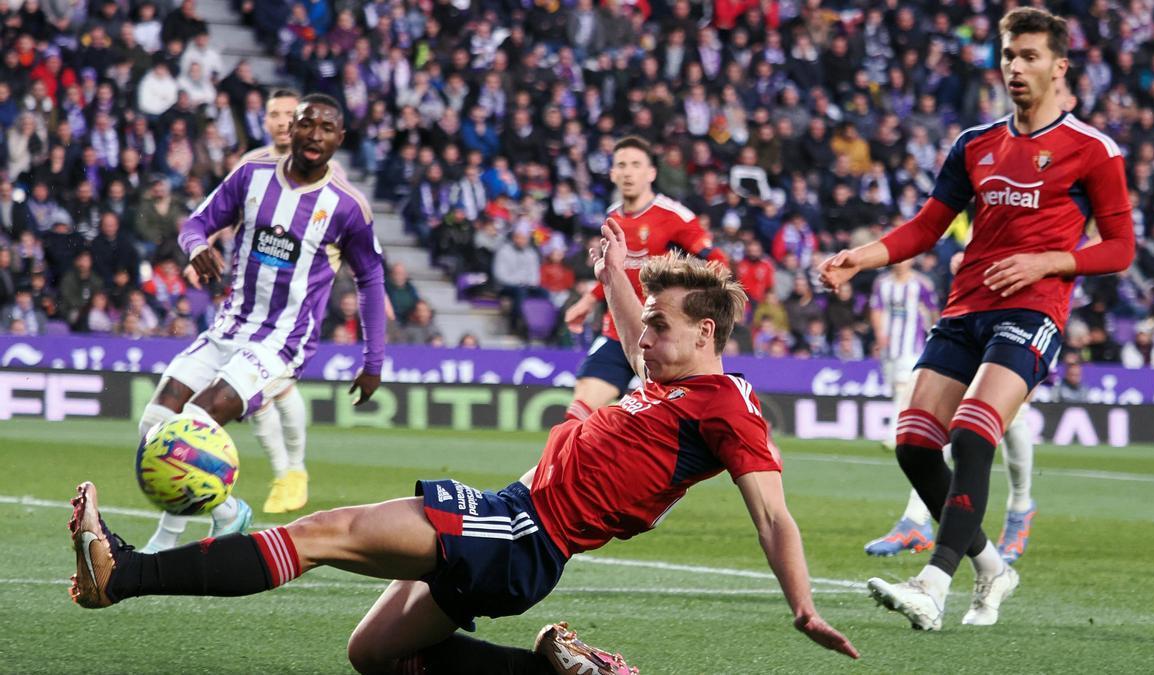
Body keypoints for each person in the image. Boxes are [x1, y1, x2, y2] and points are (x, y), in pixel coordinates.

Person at [68, 224, 860, 673]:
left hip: (524, 531)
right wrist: (621, 273)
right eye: (645, 323)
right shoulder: (668, 375)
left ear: (707, 333)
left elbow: (775, 517)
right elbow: (625, 324)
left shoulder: (727, 406)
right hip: (518, 529)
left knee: (324, 531)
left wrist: (803, 606)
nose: (641, 338)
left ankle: (124, 574)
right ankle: (559, 672)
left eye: (660, 326)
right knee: (374, 654)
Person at [819, 8, 1133, 630]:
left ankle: (932, 585)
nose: (1016, 66)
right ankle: (991, 566)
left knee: (972, 433)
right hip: (965, 308)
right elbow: (928, 226)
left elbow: (1120, 248)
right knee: (913, 444)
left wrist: (1048, 260)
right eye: (1009, 54)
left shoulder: (1093, 150)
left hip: (1033, 310)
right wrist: (864, 257)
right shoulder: (975, 143)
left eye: (1031, 56)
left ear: (1058, 66)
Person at [138, 93, 386, 554]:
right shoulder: (251, 176)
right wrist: (196, 247)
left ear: (340, 139)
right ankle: (229, 514)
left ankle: (165, 540)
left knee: (194, 421)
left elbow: (370, 278)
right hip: (229, 327)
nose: (314, 136)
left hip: (281, 343)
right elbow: (196, 223)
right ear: (291, 129)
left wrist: (373, 360)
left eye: (326, 129)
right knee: (154, 423)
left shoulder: (347, 206)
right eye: (307, 125)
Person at [188, 89, 318, 516]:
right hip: (250, 295)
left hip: (296, 296)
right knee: (254, 393)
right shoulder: (251, 165)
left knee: (277, 387)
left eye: (289, 114)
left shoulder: (319, 169)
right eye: (274, 114)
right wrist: (202, 254)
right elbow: (230, 217)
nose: (282, 122)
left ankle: (293, 470)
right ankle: (284, 472)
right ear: (265, 121)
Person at [864, 254, 1040, 566]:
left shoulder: (1054, 220)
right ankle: (915, 520)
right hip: (976, 314)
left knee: (1014, 417)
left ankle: (1019, 508)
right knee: (951, 420)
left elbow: (1106, 249)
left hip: (1030, 316)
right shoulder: (991, 211)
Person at [561, 135, 727, 423]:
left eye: (636, 164)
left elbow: (717, 262)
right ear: (612, 173)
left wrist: (696, 305)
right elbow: (615, 271)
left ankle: (756, 440)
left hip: (660, 336)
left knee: (683, 423)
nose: (628, 172)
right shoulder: (612, 215)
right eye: (621, 165)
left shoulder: (674, 216)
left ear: (651, 173)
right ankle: (560, 467)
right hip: (617, 331)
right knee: (576, 416)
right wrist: (589, 299)